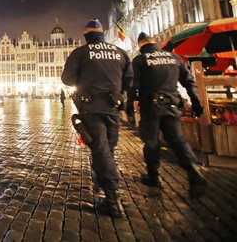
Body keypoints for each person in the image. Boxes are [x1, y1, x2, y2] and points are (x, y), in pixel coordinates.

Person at [62, 18, 133, 218]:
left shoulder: (81, 53)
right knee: (107, 149)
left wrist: (86, 79)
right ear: (102, 34)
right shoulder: (120, 52)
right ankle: (101, 185)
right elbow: (129, 80)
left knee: (100, 149)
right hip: (112, 108)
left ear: (86, 36)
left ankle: (112, 200)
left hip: (91, 107)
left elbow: (67, 79)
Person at [126, 32, 206, 198]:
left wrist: (128, 107)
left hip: (151, 107)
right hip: (172, 105)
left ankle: (154, 176)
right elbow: (189, 81)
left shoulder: (140, 60)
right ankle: (193, 170)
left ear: (141, 46)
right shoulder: (174, 58)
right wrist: (196, 102)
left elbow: (133, 86)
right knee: (177, 140)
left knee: (151, 141)